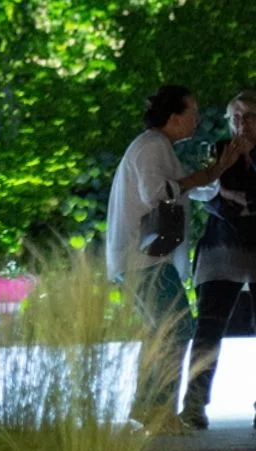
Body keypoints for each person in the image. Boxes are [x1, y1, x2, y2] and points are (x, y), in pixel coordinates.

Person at [104, 84, 249, 426]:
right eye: (192, 113)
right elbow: (158, 192)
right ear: (174, 116)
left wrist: (216, 169)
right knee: (178, 328)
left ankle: (149, 408)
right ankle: (157, 412)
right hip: (145, 260)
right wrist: (205, 174)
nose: (197, 119)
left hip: (144, 260)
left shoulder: (159, 147)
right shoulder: (152, 146)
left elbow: (197, 191)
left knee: (163, 331)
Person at [182, 91, 256, 429]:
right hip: (221, 251)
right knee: (208, 330)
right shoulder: (217, 151)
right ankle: (194, 404)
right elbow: (204, 194)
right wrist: (233, 202)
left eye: (249, 116)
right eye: (235, 117)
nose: (242, 123)